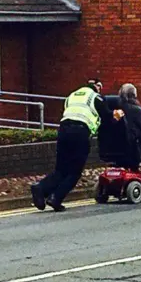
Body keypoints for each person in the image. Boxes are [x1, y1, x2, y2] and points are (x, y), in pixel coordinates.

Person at [30, 78, 117, 212]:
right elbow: (106, 117)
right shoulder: (96, 97)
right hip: (80, 132)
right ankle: (56, 198)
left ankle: (41, 188)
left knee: (61, 169)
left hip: (63, 130)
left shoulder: (72, 96)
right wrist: (116, 116)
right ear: (98, 87)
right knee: (75, 172)